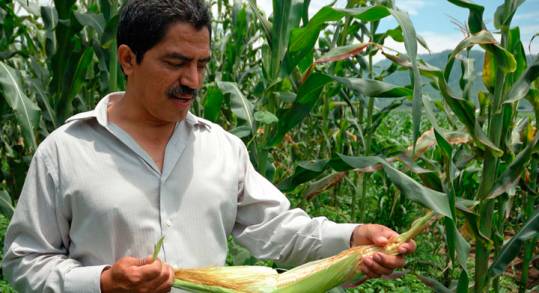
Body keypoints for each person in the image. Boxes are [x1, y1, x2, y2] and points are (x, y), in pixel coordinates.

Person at [2, 0, 416, 292]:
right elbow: (24, 262)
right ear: (128, 59)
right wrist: (103, 282)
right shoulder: (65, 152)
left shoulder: (223, 149)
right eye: (176, 62)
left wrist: (352, 237)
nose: (194, 82)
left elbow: (280, 231)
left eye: (202, 64)